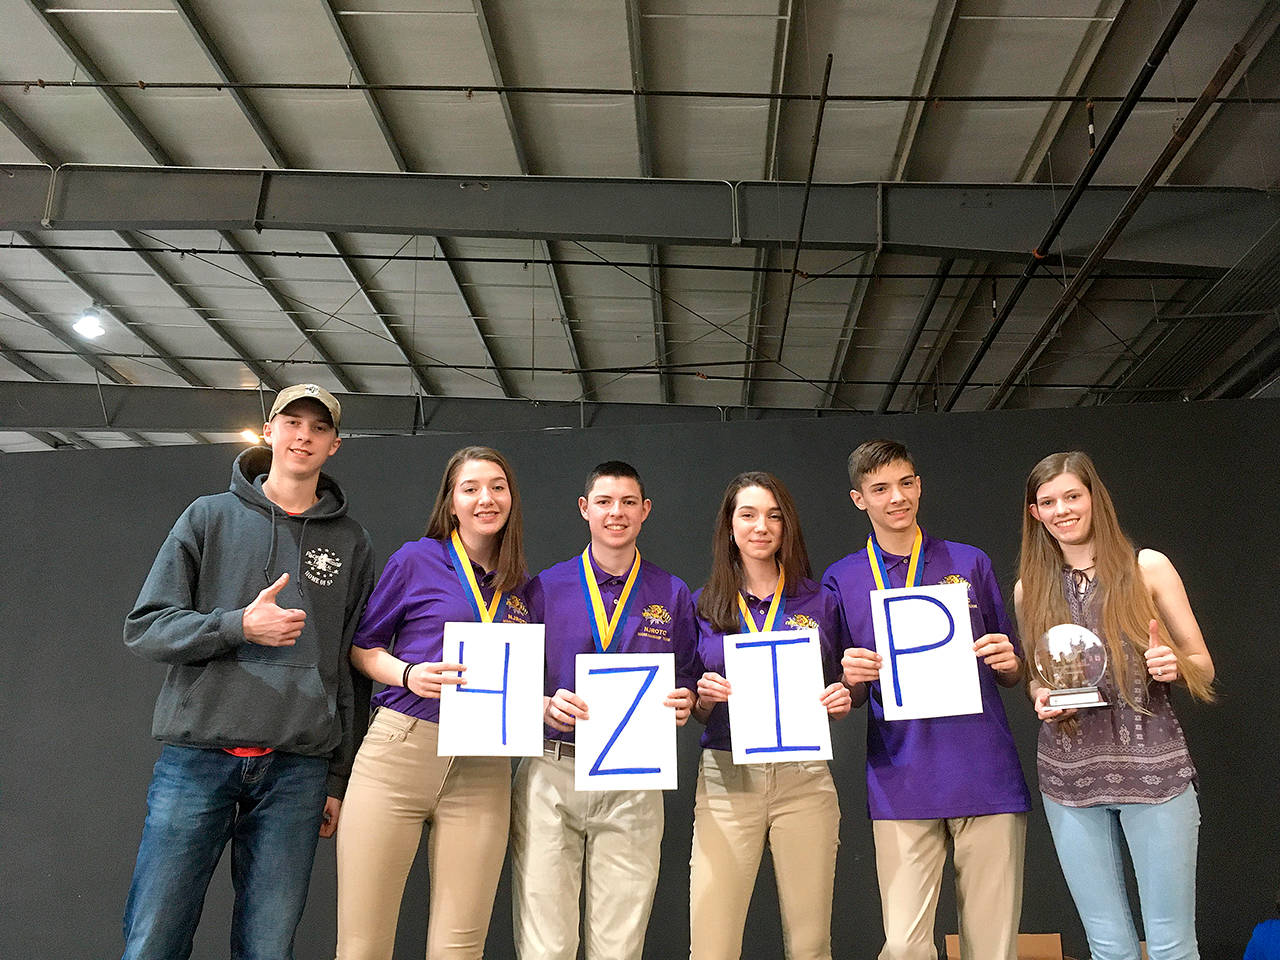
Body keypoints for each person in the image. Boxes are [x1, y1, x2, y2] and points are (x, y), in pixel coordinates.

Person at [121, 383, 375, 960]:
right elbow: (146, 626)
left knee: (268, 947)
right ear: (270, 431)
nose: (303, 436)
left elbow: (348, 666)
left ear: (335, 444)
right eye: (292, 422)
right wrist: (239, 626)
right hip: (198, 759)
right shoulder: (208, 516)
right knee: (154, 938)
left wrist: (337, 778)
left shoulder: (352, 541)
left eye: (318, 427)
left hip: (297, 772)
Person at [824, 438, 1031, 960]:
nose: (897, 497)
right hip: (901, 777)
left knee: (992, 946)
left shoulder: (969, 561)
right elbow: (837, 692)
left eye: (907, 482)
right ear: (859, 499)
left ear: (919, 484)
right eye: (881, 488)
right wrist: (849, 677)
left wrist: (1010, 661)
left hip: (984, 773)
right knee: (904, 945)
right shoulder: (842, 578)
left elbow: (1012, 668)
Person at [335, 446, 531, 960]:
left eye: (497, 486)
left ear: (511, 498)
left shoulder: (520, 588)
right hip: (401, 749)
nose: (486, 498)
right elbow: (361, 647)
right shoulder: (415, 559)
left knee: (460, 946)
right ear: (450, 503)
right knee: (362, 939)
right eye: (470, 488)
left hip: (484, 765)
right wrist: (407, 673)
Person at [1017, 451, 1215, 960]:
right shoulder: (1028, 588)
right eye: (1048, 501)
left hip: (1156, 776)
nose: (1062, 510)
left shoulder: (1147, 566)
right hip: (1068, 780)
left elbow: (1201, 662)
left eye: (1072, 496)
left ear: (1093, 498)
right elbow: (1040, 680)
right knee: (1107, 946)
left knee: (1171, 944)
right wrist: (1041, 695)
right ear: (1035, 513)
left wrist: (1176, 665)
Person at [510, 460, 698, 960]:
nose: (617, 513)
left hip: (634, 780)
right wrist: (540, 704)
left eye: (629, 502)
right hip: (553, 768)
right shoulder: (543, 588)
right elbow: (514, 677)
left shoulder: (671, 592)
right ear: (585, 509)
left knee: (620, 945)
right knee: (545, 944)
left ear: (645, 511)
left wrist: (687, 699)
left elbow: (689, 676)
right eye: (605, 502)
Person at [688, 471, 852, 960]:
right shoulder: (703, 603)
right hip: (726, 779)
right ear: (730, 525)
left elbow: (844, 683)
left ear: (787, 526)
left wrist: (842, 696)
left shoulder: (821, 600)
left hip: (804, 780)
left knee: (810, 944)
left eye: (774, 516)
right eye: (749, 514)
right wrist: (705, 697)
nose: (762, 526)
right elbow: (695, 708)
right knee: (712, 944)